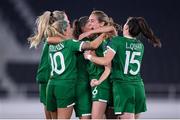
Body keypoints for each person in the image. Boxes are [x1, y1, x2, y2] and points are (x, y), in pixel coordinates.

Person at [84, 16, 162, 119]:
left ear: (127, 28)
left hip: (123, 87)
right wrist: (99, 82)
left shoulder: (117, 41)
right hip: (138, 87)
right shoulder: (140, 45)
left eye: (125, 23)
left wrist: (89, 56)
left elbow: (106, 61)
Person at [44, 13, 111, 119]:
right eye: (90, 25)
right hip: (71, 86)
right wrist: (104, 35)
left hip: (59, 85)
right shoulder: (74, 42)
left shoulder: (55, 43)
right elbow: (93, 45)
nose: (92, 27)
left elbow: (48, 39)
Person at [28, 10, 68, 119]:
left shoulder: (50, 36)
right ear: (60, 23)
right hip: (50, 78)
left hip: (46, 77)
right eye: (67, 21)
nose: (68, 24)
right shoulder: (56, 39)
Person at [79, 10, 119, 119]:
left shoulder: (110, 36)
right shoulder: (99, 37)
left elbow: (111, 28)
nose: (90, 24)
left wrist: (91, 57)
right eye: (89, 22)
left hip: (110, 83)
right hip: (105, 80)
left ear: (102, 23)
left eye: (92, 21)